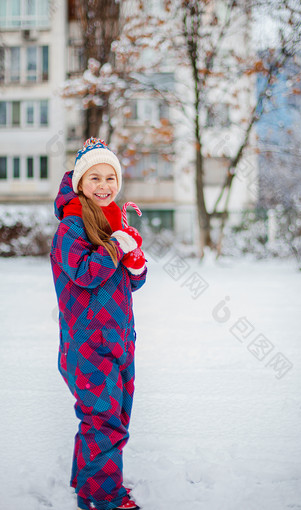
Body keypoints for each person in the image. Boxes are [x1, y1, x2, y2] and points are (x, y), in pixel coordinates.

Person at [50, 138, 147, 510]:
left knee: (112, 416)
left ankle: (88, 479)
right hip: (87, 343)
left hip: (119, 337)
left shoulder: (114, 221)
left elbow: (129, 281)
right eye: (95, 178)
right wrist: (116, 248)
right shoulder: (71, 228)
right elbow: (84, 273)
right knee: (103, 419)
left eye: (110, 177)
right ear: (79, 183)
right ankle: (102, 496)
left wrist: (135, 262)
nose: (104, 185)